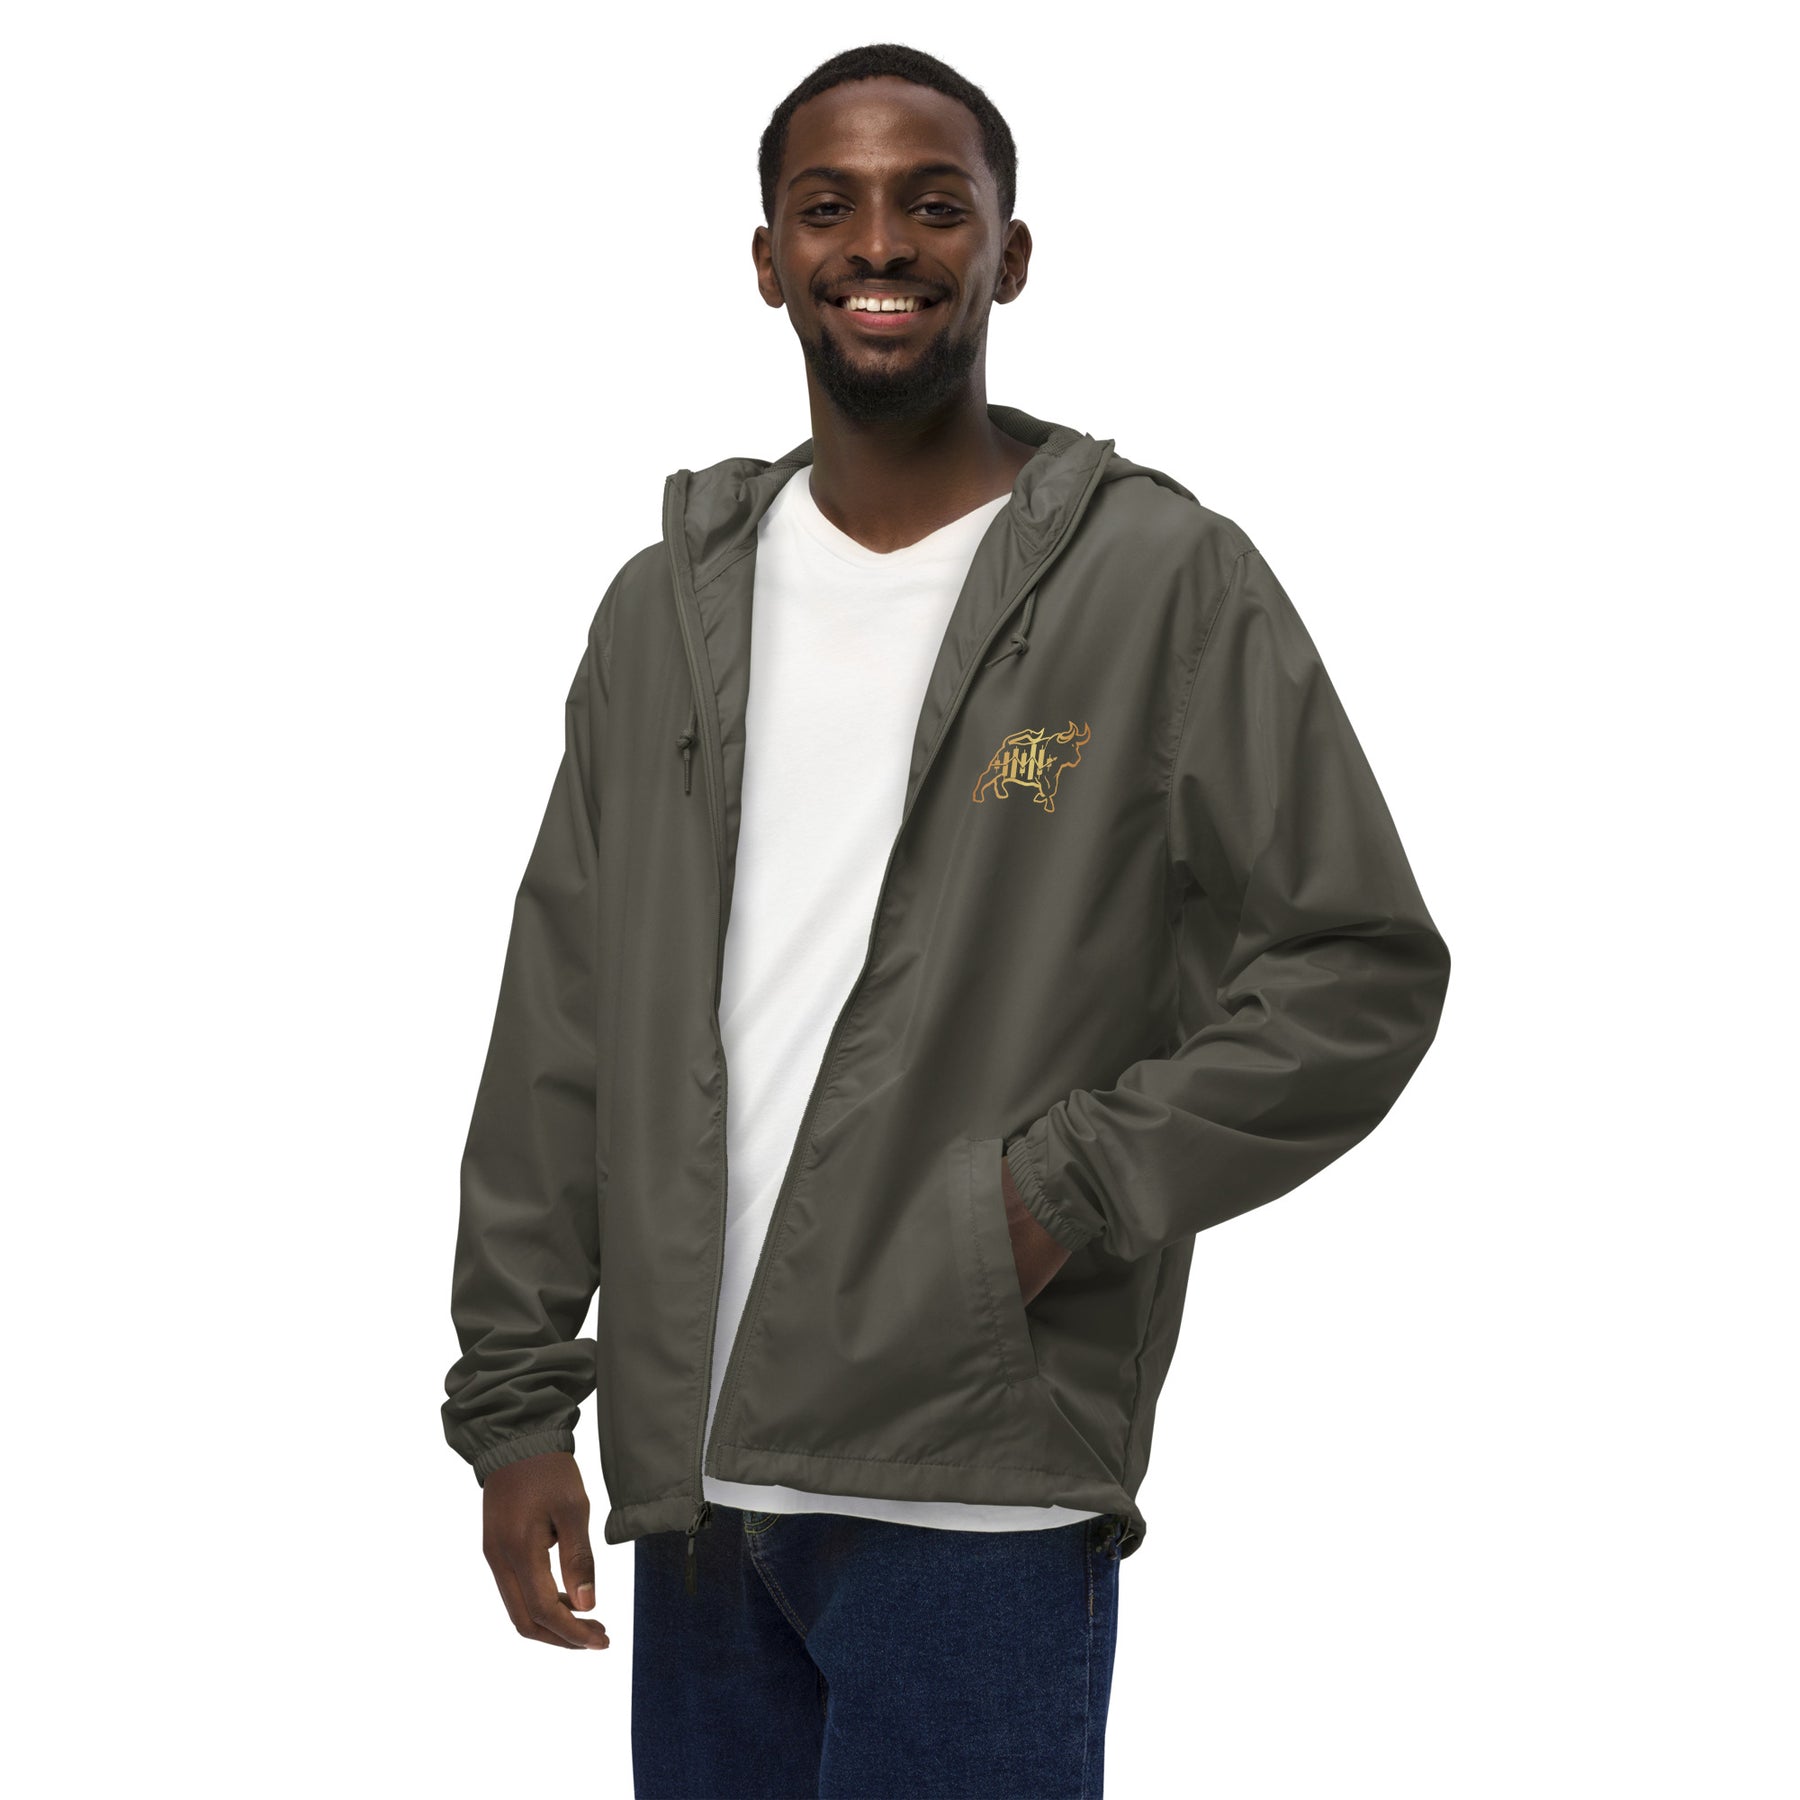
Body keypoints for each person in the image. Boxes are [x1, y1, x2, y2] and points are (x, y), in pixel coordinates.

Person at [443, 40, 1451, 1800]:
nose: (879, 245)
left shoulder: (1157, 580)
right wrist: (519, 1398)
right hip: (694, 1501)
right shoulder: (662, 612)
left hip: (973, 1486)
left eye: (933, 204)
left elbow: (1355, 966)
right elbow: (565, 1012)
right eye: (827, 206)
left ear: (1010, 253)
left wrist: (1066, 1193)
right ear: (769, 258)